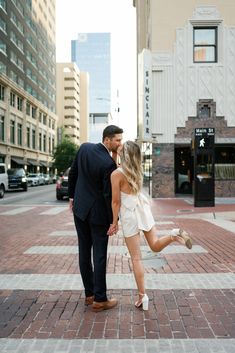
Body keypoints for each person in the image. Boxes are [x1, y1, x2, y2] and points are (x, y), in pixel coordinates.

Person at [107, 141, 192, 311]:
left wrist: (114, 222)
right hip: (143, 209)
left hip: (130, 214)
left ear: (124, 155)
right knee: (155, 245)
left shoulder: (116, 174)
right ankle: (174, 234)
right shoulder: (137, 171)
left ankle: (142, 295)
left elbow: (116, 202)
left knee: (136, 258)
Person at [68, 125, 123, 312]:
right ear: (107, 140)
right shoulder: (107, 164)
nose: (120, 143)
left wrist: (72, 197)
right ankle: (100, 299)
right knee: (99, 255)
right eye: (117, 140)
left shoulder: (84, 148)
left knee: (84, 252)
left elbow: (73, 173)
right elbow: (109, 195)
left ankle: (89, 294)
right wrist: (113, 221)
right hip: (98, 215)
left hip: (80, 210)